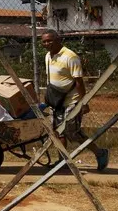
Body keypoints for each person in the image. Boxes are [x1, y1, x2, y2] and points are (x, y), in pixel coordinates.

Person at [41, 30, 109, 172]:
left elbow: (79, 82)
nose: (47, 43)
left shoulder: (70, 57)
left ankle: (100, 153)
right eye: (44, 41)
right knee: (57, 132)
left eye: (49, 40)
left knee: (73, 133)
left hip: (72, 101)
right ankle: (62, 161)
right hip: (56, 101)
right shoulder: (48, 56)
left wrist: (83, 103)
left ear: (58, 40)